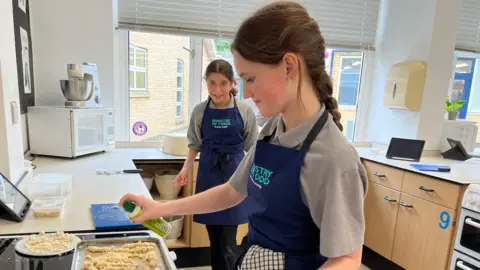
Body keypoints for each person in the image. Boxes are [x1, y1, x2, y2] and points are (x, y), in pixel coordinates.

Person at [120, 2, 367, 269]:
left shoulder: (334, 159)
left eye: (250, 78)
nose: (246, 93)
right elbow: (232, 191)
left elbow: (347, 259)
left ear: (289, 66)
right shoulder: (273, 129)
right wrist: (161, 208)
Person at [173, 59, 258, 270]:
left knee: (228, 241)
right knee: (214, 239)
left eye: (222, 83)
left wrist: (257, 178)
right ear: (206, 82)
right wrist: (186, 167)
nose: (217, 90)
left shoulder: (245, 111)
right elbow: (194, 143)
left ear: (232, 84)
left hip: (235, 176)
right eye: (212, 83)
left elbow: (253, 148)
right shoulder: (200, 111)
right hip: (208, 173)